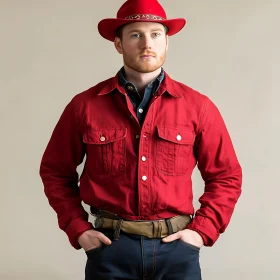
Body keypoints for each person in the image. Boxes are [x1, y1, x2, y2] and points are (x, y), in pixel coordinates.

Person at [39, 0, 242, 279]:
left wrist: (202, 231)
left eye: (155, 34)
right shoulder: (84, 106)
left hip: (177, 253)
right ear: (119, 44)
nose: (147, 43)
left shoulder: (198, 107)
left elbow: (226, 176)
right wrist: (78, 228)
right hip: (110, 251)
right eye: (135, 34)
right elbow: (54, 171)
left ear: (167, 42)